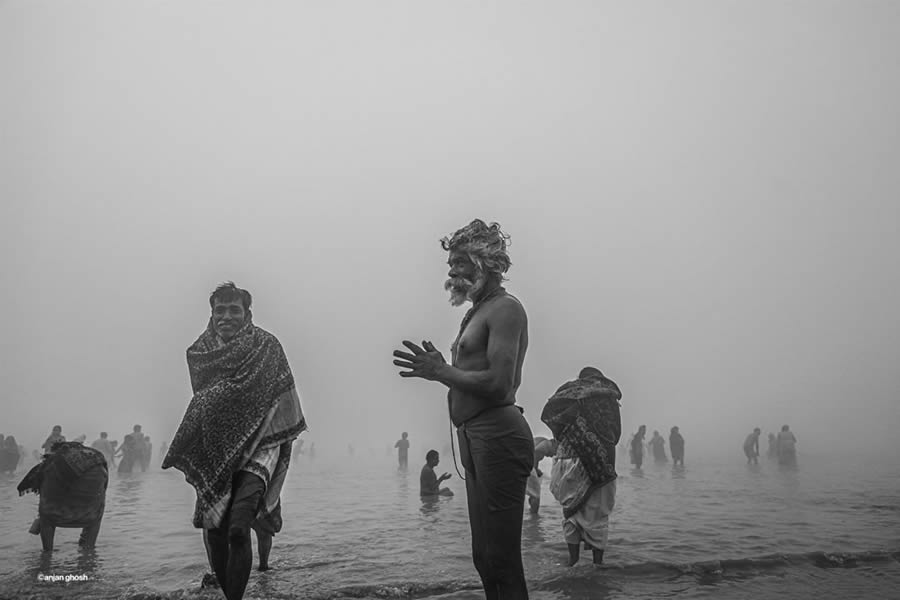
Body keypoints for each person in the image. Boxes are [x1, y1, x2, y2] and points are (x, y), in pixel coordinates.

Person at [393, 219, 534, 599]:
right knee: (483, 558)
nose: (452, 271)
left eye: (459, 262)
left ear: (485, 261)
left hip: (498, 433)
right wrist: (442, 372)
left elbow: (500, 384)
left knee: (502, 558)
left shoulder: (505, 309)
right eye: (450, 264)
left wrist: (442, 370)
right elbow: (467, 376)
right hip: (472, 435)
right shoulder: (476, 312)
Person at [163, 282, 306, 600]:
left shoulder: (267, 346)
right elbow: (206, 399)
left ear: (247, 313)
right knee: (215, 532)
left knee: (240, 528)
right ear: (212, 314)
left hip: (261, 447)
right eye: (220, 310)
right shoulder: (199, 353)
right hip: (215, 449)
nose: (226, 315)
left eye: (234, 309)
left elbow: (283, 395)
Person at [543, 367, 622, 566]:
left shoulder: (566, 396)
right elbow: (615, 434)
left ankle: (573, 562)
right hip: (599, 464)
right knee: (598, 515)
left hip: (565, 462)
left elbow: (555, 426)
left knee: (571, 513)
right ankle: (597, 565)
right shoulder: (608, 397)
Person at [18, 441, 108, 551]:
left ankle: (47, 554)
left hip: (55, 513)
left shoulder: (54, 461)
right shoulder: (95, 457)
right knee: (98, 508)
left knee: (45, 515)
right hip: (91, 514)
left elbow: (42, 487)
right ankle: (87, 550)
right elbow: (103, 487)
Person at [526, 436, 558, 513]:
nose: (553, 455)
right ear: (554, 445)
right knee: (536, 496)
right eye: (555, 451)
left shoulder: (542, 441)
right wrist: (536, 469)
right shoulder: (547, 444)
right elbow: (536, 452)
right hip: (527, 464)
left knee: (533, 493)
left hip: (523, 462)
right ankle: (534, 516)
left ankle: (531, 514)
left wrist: (537, 469)